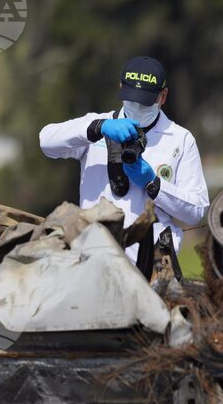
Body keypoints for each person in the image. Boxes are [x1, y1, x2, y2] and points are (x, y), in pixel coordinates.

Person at [39, 56, 208, 261]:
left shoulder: (181, 139)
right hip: (92, 257)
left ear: (163, 96)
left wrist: (153, 184)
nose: (136, 106)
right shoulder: (97, 125)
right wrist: (98, 128)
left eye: (144, 101)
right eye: (131, 98)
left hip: (151, 265)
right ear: (120, 88)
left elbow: (196, 211)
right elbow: (46, 142)